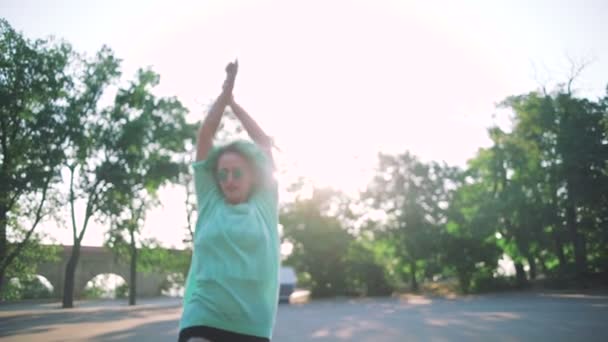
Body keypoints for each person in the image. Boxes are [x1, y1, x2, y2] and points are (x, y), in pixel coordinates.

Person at [178, 61, 280, 342]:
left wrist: (233, 104)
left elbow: (263, 143)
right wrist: (223, 96)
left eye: (237, 173)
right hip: (202, 315)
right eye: (223, 174)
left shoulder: (264, 205)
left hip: (251, 325)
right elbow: (205, 136)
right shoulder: (211, 202)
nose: (229, 180)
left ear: (253, 176)